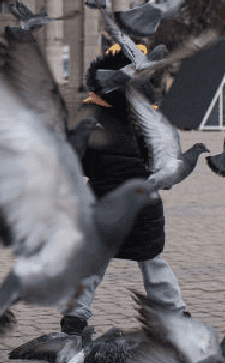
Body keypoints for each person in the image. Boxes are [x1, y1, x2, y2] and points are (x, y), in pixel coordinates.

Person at [60, 44, 186, 335]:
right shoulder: (153, 118)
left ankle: (75, 316)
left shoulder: (91, 114)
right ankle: (176, 314)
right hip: (143, 204)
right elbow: (166, 166)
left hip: (103, 203)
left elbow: (77, 163)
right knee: (153, 262)